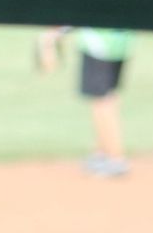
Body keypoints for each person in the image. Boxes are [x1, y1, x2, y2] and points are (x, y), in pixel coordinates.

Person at [36, 26, 133, 176]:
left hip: (98, 45)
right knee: (110, 95)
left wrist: (54, 34)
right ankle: (102, 153)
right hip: (122, 42)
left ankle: (115, 159)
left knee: (101, 100)